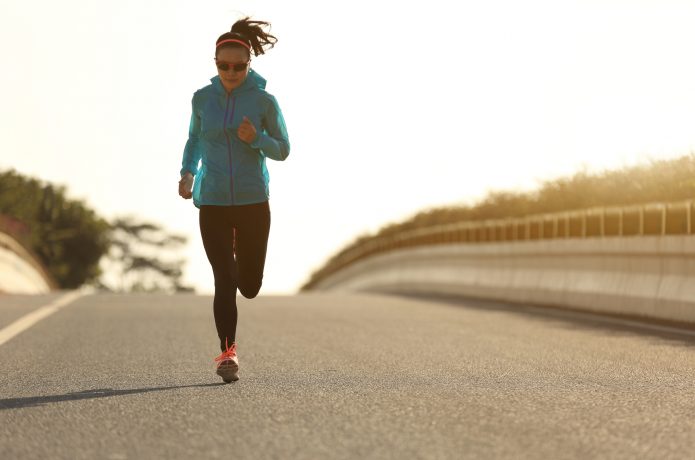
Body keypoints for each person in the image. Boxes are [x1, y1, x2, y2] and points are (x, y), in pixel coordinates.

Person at [178, 17, 290, 383]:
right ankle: (228, 354)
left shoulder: (263, 101)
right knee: (224, 278)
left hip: (252, 201)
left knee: (249, 286)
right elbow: (195, 140)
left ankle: (247, 269)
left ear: (248, 64)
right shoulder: (201, 99)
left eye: (237, 66)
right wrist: (187, 172)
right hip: (211, 201)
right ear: (215, 63)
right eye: (222, 65)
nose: (229, 72)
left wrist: (256, 138)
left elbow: (283, 149)